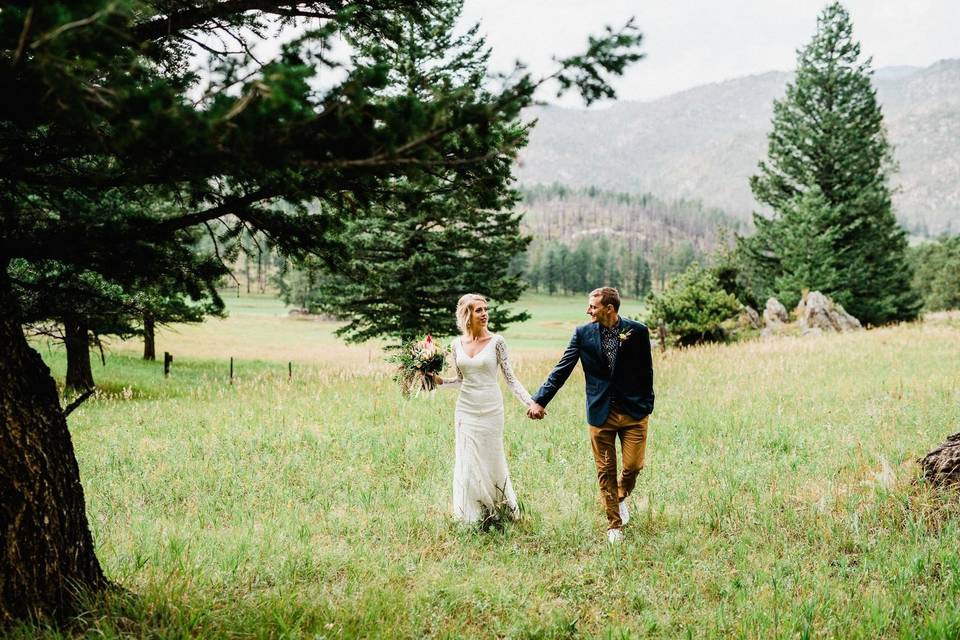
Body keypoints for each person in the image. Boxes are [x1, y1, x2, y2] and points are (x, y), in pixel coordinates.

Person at [527, 287, 654, 543]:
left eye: (593, 306)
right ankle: (614, 525)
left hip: (634, 413)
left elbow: (646, 370)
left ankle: (618, 497)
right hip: (600, 413)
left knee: (633, 466)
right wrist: (540, 400)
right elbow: (562, 369)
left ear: (609, 308)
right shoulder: (582, 334)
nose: (588, 310)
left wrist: (646, 404)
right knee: (605, 469)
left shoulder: (637, 332)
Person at [432, 293, 535, 525]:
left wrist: (530, 402)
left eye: (486, 309)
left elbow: (510, 378)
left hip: (491, 409)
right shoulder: (456, 344)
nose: (485, 314)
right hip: (465, 409)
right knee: (467, 461)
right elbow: (459, 380)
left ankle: (501, 510)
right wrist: (438, 381)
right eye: (479, 310)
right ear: (467, 315)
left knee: (492, 459)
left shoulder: (497, 342)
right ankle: (472, 516)